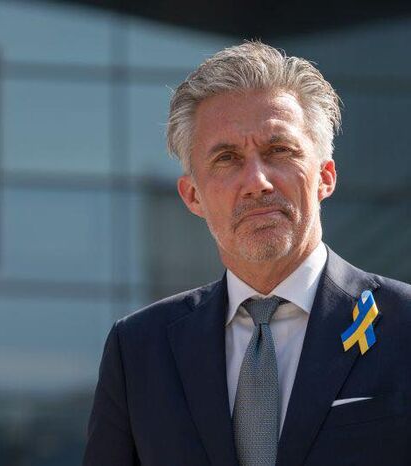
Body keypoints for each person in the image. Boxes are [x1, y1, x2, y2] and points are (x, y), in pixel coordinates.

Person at [83, 41, 410, 466]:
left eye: (279, 151)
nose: (257, 181)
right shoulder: (139, 351)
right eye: (227, 158)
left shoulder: (404, 326)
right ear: (192, 195)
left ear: (325, 176)